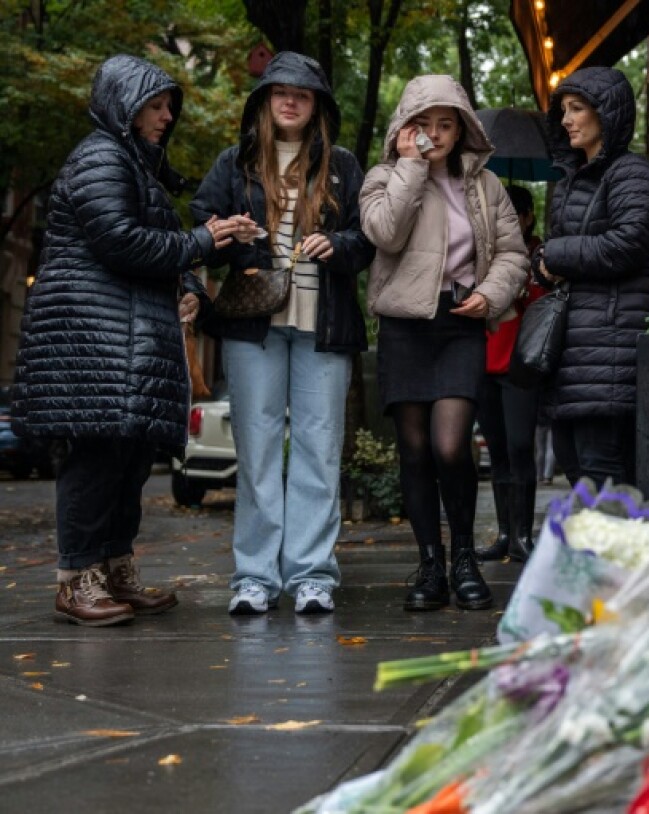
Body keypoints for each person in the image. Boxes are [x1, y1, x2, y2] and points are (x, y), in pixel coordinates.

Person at [12, 55, 237, 626]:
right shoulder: (100, 157)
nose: (166, 117)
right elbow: (121, 242)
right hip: (93, 338)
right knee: (95, 456)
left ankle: (114, 567)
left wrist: (188, 284)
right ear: (126, 106)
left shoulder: (136, 165)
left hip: (129, 340)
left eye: (167, 108)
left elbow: (160, 245)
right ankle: (76, 579)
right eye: (156, 107)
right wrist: (203, 241)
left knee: (128, 458)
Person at [192, 52, 374, 616]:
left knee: (320, 452)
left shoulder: (342, 164)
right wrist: (234, 235)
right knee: (257, 452)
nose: (289, 100)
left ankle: (313, 575)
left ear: (316, 103)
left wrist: (337, 246)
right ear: (265, 101)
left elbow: (368, 239)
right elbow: (202, 225)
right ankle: (254, 577)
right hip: (253, 328)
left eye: (301, 92)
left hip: (324, 328)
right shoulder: (235, 162)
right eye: (279, 92)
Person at [361, 75, 528, 612]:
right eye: (424, 124)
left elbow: (513, 253)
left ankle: (464, 558)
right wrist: (412, 166)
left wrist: (490, 294)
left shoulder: (485, 185)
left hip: (460, 321)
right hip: (406, 325)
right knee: (413, 450)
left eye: (446, 123)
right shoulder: (382, 177)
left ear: (462, 129)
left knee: (451, 445)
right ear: (406, 127)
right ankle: (430, 563)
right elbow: (384, 234)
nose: (435, 133)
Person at [534, 66, 649, 487]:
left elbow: (628, 243)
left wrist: (554, 253)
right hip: (575, 354)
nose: (567, 119)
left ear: (607, 114)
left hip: (611, 349)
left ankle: (614, 556)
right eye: (564, 111)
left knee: (604, 477)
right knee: (579, 474)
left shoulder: (632, 173)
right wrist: (542, 264)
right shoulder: (573, 181)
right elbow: (564, 253)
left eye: (577, 109)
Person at [476, 185, 546, 563]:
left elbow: (544, 307)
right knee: (498, 450)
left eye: (514, 217)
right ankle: (505, 533)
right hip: (485, 364)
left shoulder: (540, 257)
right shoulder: (485, 256)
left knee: (521, 446)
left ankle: (523, 534)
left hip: (520, 365)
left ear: (528, 218)